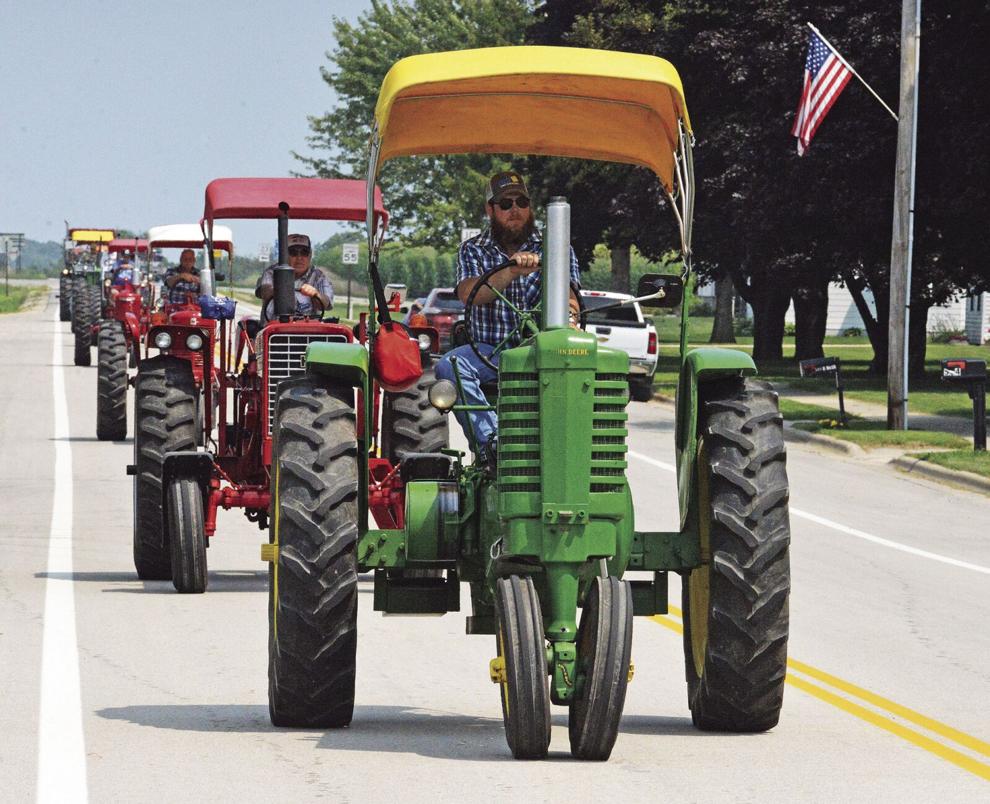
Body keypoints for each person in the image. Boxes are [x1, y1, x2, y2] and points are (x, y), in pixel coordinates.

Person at [436, 171, 581, 454]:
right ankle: (493, 444)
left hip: (541, 352)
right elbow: (469, 293)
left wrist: (571, 320)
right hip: (490, 355)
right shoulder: (473, 250)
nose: (515, 210)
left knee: (597, 365)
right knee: (449, 365)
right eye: (505, 204)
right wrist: (512, 271)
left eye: (522, 202)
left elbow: (572, 298)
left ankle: (579, 453)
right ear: (490, 209)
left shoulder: (557, 249)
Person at [255, 233, 333, 319]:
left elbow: (326, 304)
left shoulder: (319, 276)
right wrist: (278, 290)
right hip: (274, 329)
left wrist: (316, 294)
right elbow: (264, 291)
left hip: (308, 329)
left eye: (304, 252)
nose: (299, 258)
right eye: (293, 252)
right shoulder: (271, 273)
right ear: (284, 255)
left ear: (310, 255)